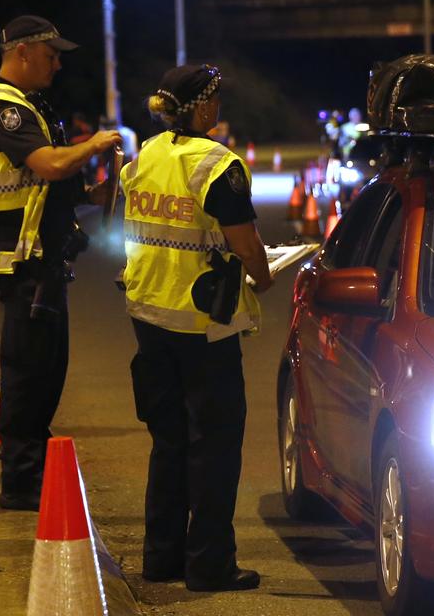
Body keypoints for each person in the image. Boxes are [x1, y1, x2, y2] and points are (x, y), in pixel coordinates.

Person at [121, 64, 272, 592]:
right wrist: (265, 275)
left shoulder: (147, 154)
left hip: (148, 314)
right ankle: (209, 564)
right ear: (204, 108)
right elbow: (246, 245)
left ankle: (161, 557)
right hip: (202, 323)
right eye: (216, 100)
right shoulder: (217, 164)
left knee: (168, 441)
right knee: (214, 444)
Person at [0, 16, 122, 511]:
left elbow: (50, 186)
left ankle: (32, 469)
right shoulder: (5, 112)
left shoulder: (32, 106)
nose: (57, 62)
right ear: (23, 53)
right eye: (51, 53)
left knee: (48, 371)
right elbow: (50, 165)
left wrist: (95, 194)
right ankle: (21, 481)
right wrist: (92, 144)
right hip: (23, 264)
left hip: (44, 261)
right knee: (27, 373)